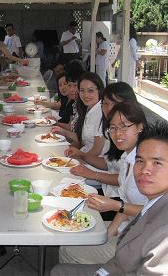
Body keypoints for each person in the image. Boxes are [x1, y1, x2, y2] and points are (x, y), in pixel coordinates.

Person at [51, 121, 168, 275]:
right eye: (140, 161)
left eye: (157, 163)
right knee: (59, 269)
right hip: (124, 263)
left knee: (61, 267)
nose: (145, 169)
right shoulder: (162, 199)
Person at [59, 102, 148, 265]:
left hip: (145, 241)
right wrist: (108, 234)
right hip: (129, 228)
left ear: (140, 127)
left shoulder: (146, 164)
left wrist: (114, 206)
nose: (117, 134)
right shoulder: (127, 157)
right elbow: (125, 205)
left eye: (124, 127)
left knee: (68, 250)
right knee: (70, 232)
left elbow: (156, 210)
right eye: (113, 128)